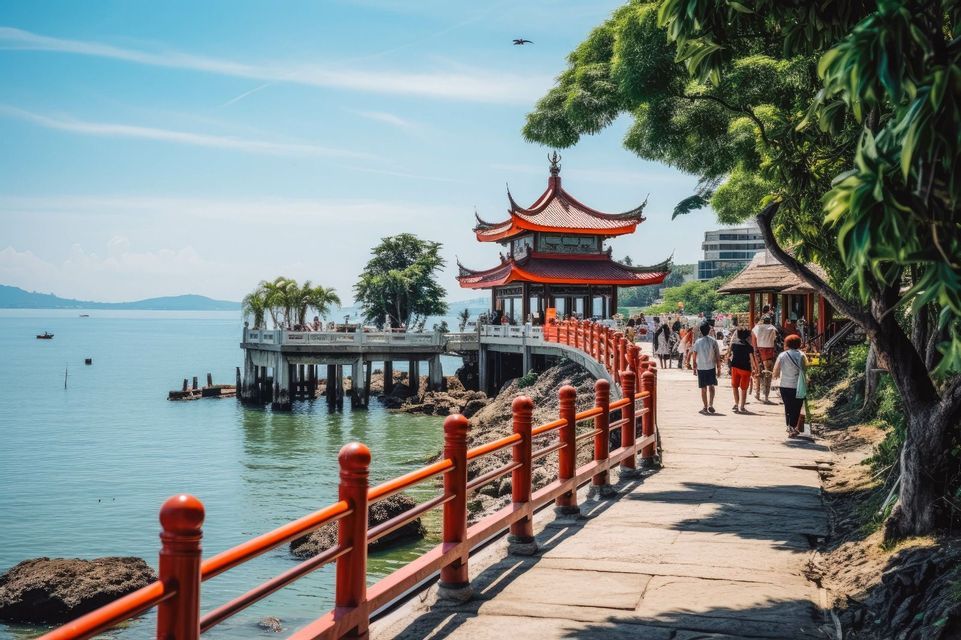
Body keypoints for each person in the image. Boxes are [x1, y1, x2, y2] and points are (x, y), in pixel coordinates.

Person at [772, 334, 807, 437]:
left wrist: (775, 377)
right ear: (798, 344)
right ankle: (792, 427)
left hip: (784, 385)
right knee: (797, 407)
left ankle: (790, 426)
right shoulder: (801, 355)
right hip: (798, 385)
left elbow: (776, 370)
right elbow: (805, 370)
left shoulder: (782, 355)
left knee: (788, 406)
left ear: (787, 343)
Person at [691, 322, 721, 414]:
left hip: (701, 367)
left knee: (703, 388)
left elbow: (694, 355)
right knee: (711, 386)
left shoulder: (698, 342)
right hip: (711, 367)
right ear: (709, 330)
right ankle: (711, 404)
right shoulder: (713, 341)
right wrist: (719, 368)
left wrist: (694, 368)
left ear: (700, 331)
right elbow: (717, 356)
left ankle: (705, 406)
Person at [727, 328, 757, 413]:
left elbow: (729, 356)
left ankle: (736, 404)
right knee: (744, 388)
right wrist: (755, 369)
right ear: (748, 336)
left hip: (735, 368)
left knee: (735, 387)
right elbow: (752, 359)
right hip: (746, 369)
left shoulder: (734, 345)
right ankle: (742, 406)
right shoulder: (749, 347)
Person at [752, 315, 778, 403]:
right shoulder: (773, 328)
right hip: (770, 352)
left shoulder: (756, 328)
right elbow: (775, 341)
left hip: (759, 352)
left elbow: (754, 343)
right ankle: (766, 396)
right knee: (768, 374)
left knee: (758, 372)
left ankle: (757, 393)